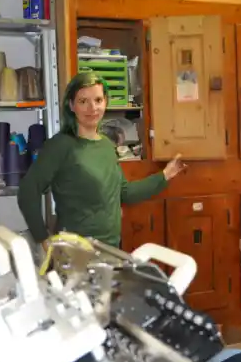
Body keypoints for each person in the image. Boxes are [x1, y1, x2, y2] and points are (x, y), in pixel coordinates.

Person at [17, 71, 185, 249]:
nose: (92, 108)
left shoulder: (106, 145)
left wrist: (166, 174)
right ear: (71, 105)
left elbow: (124, 193)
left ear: (105, 102)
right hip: (76, 251)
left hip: (110, 248)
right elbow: (27, 192)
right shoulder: (60, 146)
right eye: (83, 101)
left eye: (98, 100)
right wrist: (43, 239)